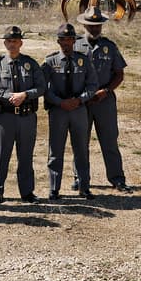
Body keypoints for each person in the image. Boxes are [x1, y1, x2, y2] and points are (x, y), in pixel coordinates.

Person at [74, 8, 131, 192]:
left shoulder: (110, 46)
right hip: (82, 102)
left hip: (104, 101)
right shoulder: (74, 45)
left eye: (97, 25)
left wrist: (105, 91)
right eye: (91, 25)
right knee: (80, 141)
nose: (94, 28)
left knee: (109, 141)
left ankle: (117, 178)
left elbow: (119, 74)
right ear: (84, 24)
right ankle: (80, 178)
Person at [0, 26, 44, 204]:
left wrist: (25, 95)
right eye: (9, 41)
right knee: (0, 156)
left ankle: (27, 192)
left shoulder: (31, 63)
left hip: (26, 117)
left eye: (15, 41)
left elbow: (41, 87)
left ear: (21, 43)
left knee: (25, 155)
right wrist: (8, 96)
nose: (12, 44)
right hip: (4, 117)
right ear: (5, 43)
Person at [42, 24, 97, 201]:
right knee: (55, 151)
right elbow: (43, 87)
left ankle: (84, 186)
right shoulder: (50, 62)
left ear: (74, 41)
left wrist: (79, 100)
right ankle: (54, 188)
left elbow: (92, 85)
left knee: (81, 149)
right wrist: (59, 102)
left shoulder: (84, 60)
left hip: (78, 110)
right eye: (62, 39)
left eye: (69, 39)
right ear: (58, 41)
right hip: (58, 111)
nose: (66, 43)